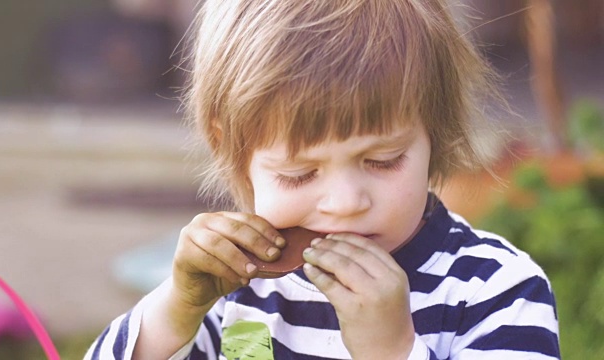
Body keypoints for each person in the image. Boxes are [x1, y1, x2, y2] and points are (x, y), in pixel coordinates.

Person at [85, 1, 560, 359]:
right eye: (299, 174)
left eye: (383, 160)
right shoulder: (245, 294)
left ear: (433, 134)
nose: (345, 202)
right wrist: (175, 309)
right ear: (233, 148)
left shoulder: (495, 292)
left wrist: (393, 349)